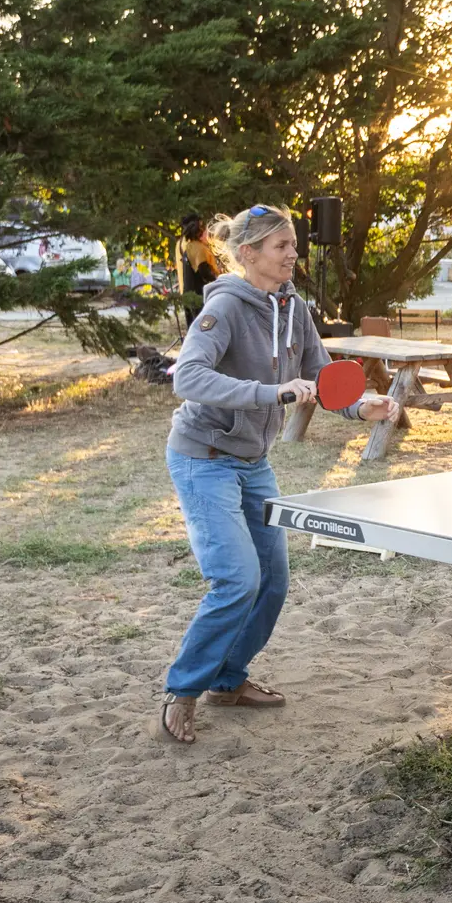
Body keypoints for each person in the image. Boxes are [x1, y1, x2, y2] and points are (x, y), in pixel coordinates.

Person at [157, 205, 401, 745]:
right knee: (237, 578)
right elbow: (188, 377)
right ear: (248, 255)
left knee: (272, 581)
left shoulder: (294, 310)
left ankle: (227, 679)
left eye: (293, 244)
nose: (293, 253)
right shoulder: (223, 307)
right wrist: (272, 393)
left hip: (252, 462)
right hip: (204, 458)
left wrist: (361, 409)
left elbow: (320, 377)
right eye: (280, 246)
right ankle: (183, 689)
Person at [176, 215, 219, 311]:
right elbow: (204, 270)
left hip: (189, 295)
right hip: (199, 297)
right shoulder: (198, 248)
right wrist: (218, 280)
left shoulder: (188, 245)